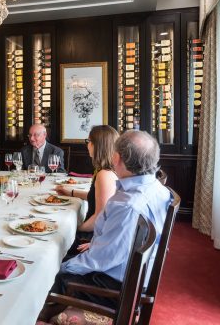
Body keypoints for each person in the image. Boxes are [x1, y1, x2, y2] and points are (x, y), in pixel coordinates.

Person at [48, 130, 171, 311]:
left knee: (41, 277)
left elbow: (101, 260)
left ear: (116, 158)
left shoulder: (129, 205)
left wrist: (57, 267)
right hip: (132, 272)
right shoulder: (157, 188)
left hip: (115, 287)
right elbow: (117, 245)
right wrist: (101, 243)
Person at [55, 125, 119, 257]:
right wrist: (71, 192)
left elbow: (99, 218)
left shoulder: (104, 175)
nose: (87, 145)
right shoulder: (106, 171)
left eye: (88, 141)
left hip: (93, 238)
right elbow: (97, 197)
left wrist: (73, 229)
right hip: (97, 233)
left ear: (98, 146)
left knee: (53, 242)